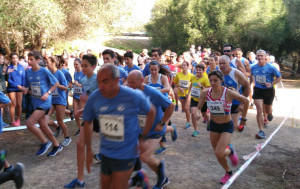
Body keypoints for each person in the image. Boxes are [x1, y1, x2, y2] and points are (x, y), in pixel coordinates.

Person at [83, 64, 155, 189]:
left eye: (105, 81)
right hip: (106, 152)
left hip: (127, 153)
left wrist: (143, 138)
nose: (101, 86)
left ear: (116, 81)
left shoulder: (132, 96)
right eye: (99, 82)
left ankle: (137, 179)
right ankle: (138, 179)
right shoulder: (95, 97)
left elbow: (151, 111)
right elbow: (87, 121)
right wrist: (89, 149)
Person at [197, 70, 249, 184]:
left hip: (226, 126)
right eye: (211, 80)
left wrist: (243, 119)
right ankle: (228, 171)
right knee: (218, 152)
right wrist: (197, 113)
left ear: (221, 80)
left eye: (216, 80)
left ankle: (230, 151)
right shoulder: (206, 93)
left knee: (218, 152)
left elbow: (246, 101)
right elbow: (199, 106)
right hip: (214, 125)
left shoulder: (228, 92)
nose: (213, 83)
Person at [127, 70, 175, 188]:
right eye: (128, 82)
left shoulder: (152, 92)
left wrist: (162, 123)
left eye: (133, 82)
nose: (130, 85)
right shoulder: (130, 92)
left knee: (145, 156)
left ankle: (160, 174)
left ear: (141, 81)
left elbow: (171, 106)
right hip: (139, 130)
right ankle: (157, 175)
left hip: (155, 131)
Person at [18, 51, 63, 157]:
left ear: (38, 60)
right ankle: (57, 145)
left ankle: (45, 142)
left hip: (45, 102)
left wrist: (48, 93)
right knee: (43, 125)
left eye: (31, 59)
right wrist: (23, 89)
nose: (29, 61)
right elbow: (27, 88)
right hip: (35, 102)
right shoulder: (28, 72)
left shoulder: (44, 71)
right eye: (28, 59)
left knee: (30, 123)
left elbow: (56, 83)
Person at [64, 54, 98, 188]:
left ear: (93, 66)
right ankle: (80, 179)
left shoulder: (99, 80)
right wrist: (82, 111)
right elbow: (88, 99)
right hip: (91, 117)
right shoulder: (84, 80)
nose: (83, 68)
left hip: (104, 116)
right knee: (79, 144)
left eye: (86, 66)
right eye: (82, 65)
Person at [144, 61, 177, 154]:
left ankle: (171, 130)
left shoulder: (163, 77)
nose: (154, 72)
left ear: (158, 69)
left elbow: (167, 88)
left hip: (164, 104)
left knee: (161, 127)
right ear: (149, 69)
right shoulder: (147, 78)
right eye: (151, 70)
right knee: (156, 126)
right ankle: (164, 143)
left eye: (155, 69)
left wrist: (155, 93)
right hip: (153, 104)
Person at [251, 50, 282, 139]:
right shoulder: (253, 67)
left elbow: (279, 77)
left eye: (261, 56)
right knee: (259, 110)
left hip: (268, 90)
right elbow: (252, 75)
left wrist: (272, 83)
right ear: (256, 57)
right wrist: (250, 82)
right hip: (258, 90)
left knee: (267, 110)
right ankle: (261, 130)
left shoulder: (271, 68)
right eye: (258, 56)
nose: (260, 57)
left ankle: (270, 113)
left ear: (265, 57)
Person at [219, 55, 250, 131]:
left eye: (224, 63)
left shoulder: (236, 73)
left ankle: (227, 141)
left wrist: (242, 103)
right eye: (220, 63)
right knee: (221, 124)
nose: (222, 65)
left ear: (229, 63)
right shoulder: (217, 73)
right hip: (221, 102)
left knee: (233, 126)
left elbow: (247, 86)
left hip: (235, 102)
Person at [45, 56, 71, 146]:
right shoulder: (48, 73)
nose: (46, 64)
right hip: (52, 100)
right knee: (45, 118)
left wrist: (56, 85)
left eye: (47, 62)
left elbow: (66, 88)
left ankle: (67, 138)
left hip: (60, 100)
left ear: (53, 63)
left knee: (60, 120)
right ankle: (57, 127)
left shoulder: (59, 73)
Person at [187, 64, 210, 137]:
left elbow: (208, 90)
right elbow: (191, 84)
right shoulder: (193, 77)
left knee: (204, 114)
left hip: (203, 100)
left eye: (200, 70)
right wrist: (188, 92)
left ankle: (209, 122)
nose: (198, 71)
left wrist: (201, 86)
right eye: (197, 69)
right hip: (194, 98)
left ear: (203, 71)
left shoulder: (205, 79)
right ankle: (196, 130)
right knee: (193, 113)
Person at [6, 53, 25, 126]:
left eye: (16, 58)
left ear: (18, 58)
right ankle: (13, 120)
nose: (14, 59)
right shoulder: (9, 68)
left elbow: (23, 77)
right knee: (13, 104)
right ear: (11, 59)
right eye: (13, 58)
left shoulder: (21, 67)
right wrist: (17, 85)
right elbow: (9, 80)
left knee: (19, 105)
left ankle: (18, 119)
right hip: (12, 88)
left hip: (20, 88)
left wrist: (22, 86)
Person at [174, 61, 194, 129]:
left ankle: (188, 123)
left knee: (186, 108)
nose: (183, 67)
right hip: (181, 93)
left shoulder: (191, 75)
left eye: (185, 65)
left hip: (188, 93)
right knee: (184, 109)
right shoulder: (178, 75)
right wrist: (180, 88)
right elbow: (175, 83)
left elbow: (192, 84)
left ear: (188, 67)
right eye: (182, 65)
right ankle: (189, 109)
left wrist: (188, 92)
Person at [72, 58, 85, 136]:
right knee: (75, 113)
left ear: (80, 64)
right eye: (74, 64)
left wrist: (78, 85)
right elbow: (75, 83)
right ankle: (80, 128)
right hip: (76, 94)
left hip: (82, 95)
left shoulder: (84, 73)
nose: (75, 66)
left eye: (76, 64)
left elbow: (87, 84)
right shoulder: (75, 73)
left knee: (81, 113)